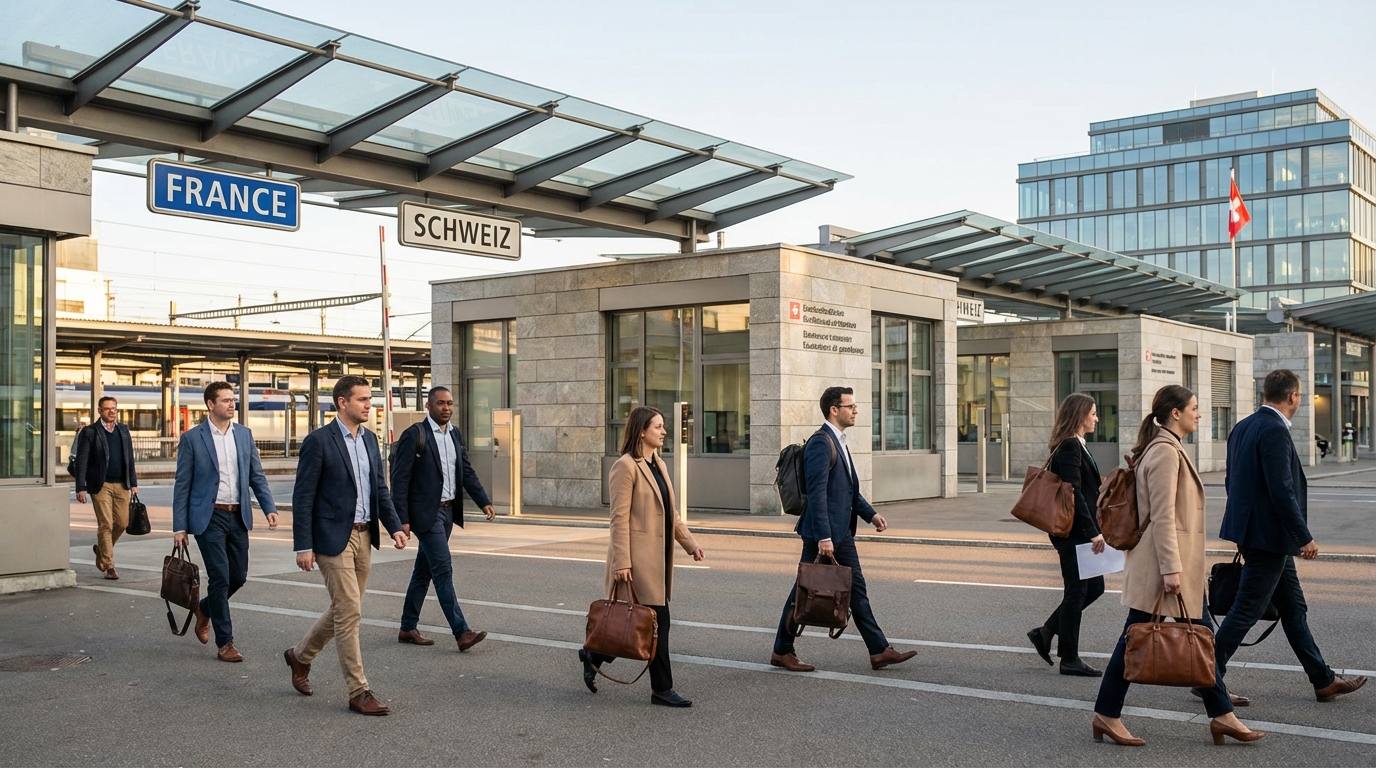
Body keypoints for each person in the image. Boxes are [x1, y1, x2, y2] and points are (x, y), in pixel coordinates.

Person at [1092, 385, 1263, 747]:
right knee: (1151, 640)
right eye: (1195, 408)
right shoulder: (1165, 453)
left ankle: (1220, 716)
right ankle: (1110, 715)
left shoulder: (1166, 448)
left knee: (1194, 641)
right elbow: (1163, 518)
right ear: (1176, 414)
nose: (1199, 414)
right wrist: (1172, 569)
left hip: (1167, 566)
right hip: (1164, 568)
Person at [1215, 369, 1366, 703]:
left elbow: (1232, 481)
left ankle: (1323, 680)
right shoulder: (1274, 430)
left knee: (1294, 608)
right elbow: (1281, 489)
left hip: (1258, 534)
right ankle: (1206, 676)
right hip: (1269, 538)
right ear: (1294, 396)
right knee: (1246, 610)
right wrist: (1303, 536)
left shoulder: (1243, 426)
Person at [285, 375, 408, 716]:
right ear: (342, 402)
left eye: (370, 399)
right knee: (350, 611)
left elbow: (378, 489)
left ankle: (300, 656)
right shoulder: (319, 442)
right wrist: (303, 545)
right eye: (363, 399)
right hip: (331, 539)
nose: (369, 404)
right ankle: (359, 691)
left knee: (344, 609)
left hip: (365, 535)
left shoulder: (370, 439)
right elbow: (303, 496)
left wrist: (394, 526)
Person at [770, 386, 916, 674]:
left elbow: (847, 490)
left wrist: (870, 514)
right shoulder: (821, 443)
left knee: (853, 588)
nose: (855, 410)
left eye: (854, 405)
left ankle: (878, 650)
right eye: (850, 406)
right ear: (833, 410)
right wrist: (825, 536)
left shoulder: (839, 440)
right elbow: (818, 492)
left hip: (839, 532)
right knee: (804, 592)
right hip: (824, 534)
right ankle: (783, 650)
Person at [579, 406, 704, 707]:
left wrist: (690, 543)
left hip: (656, 560)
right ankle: (662, 689)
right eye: (658, 426)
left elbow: (670, 513)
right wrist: (622, 560)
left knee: (637, 625)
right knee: (656, 624)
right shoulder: (626, 466)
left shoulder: (657, 463)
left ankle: (593, 654)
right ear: (642, 431)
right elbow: (618, 518)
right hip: (636, 562)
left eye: (663, 426)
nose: (664, 431)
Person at [172, 382, 278, 662]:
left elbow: (257, 475)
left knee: (238, 577)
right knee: (219, 577)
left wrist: (269, 507)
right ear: (210, 404)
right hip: (209, 517)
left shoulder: (244, 435)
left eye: (233, 400)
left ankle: (204, 608)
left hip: (238, 514)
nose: (232, 404)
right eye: (226, 400)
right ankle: (226, 643)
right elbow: (182, 485)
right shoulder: (193, 438)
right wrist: (179, 527)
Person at [391, 386, 495, 652]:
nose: (446, 408)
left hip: (448, 512)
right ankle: (461, 632)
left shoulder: (454, 434)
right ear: (429, 406)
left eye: (449, 403)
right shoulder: (416, 435)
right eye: (440, 403)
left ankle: (407, 626)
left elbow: (466, 471)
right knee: (442, 569)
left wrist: (483, 500)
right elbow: (400, 480)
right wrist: (401, 519)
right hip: (426, 514)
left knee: (423, 571)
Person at [1026, 393, 1107, 677]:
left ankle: (1046, 632)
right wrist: (1093, 532)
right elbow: (1073, 493)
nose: (1096, 418)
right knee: (1077, 593)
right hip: (1073, 533)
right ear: (1080, 415)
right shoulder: (1070, 446)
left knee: (1094, 588)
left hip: (1077, 532)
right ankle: (1069, 658)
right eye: (1093, 413)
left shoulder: (1076, 445)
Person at [73, 396, 139, 580]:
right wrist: (80, 487)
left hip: (122, 484)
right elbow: (81, 461)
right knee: (106, 524)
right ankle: (109, 566)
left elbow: (130, 459)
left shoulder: (123, 430)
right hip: (100, 485)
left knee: (122, 523)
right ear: (99, 410)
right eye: (107, 408)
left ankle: (102, 550)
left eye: (114, 408)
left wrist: (133, 483)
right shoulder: (90, 432)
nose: (111, 411)